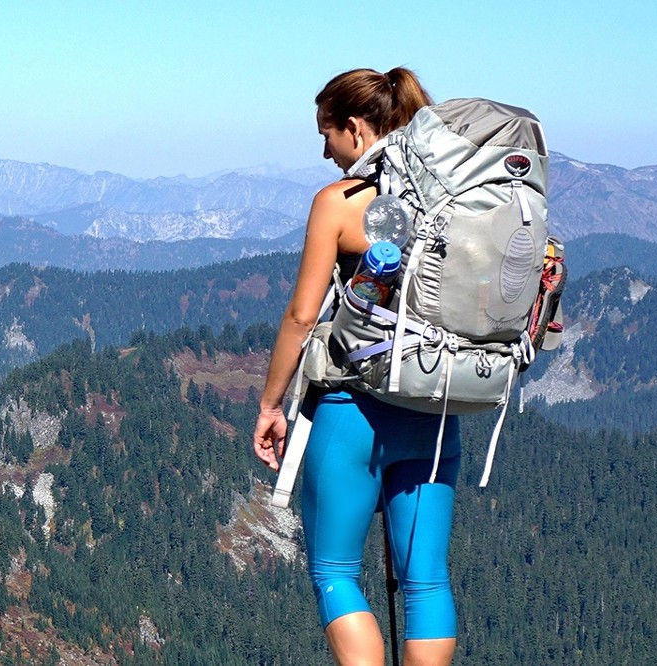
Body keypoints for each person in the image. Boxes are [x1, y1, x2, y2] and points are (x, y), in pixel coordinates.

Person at [253, 67, 461, 666]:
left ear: (353, 128)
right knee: (426, 581)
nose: (324, 152)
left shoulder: (340, 204)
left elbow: (300, 316)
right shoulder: (450, 199)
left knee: (335, 571)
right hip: (436, 410)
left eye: (326, 136)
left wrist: (270, 405)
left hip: (353, 412)